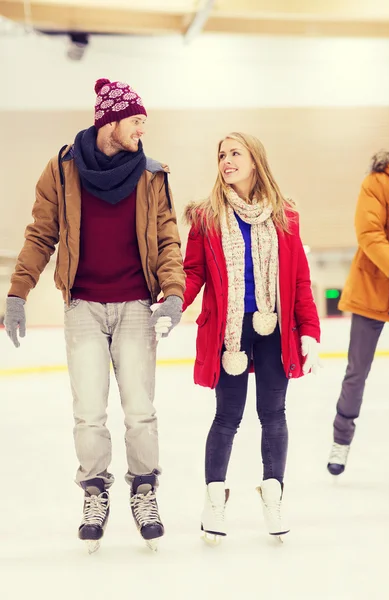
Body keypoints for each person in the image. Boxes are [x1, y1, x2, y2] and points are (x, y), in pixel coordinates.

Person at [4, 78, 185, 553]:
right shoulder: (62, 170)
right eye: (136, 121)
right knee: (88, 414)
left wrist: (173, 292)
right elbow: (41, 234)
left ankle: (145, 491)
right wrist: (18, 292)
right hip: (82, 304)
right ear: (111, 120)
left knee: (140, 412)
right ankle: (95, 493)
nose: (142, 130)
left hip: (135, 306)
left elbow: (168, 238)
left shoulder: (151, 173)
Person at [179, 132, 320, 543]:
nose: (226, 160)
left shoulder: (284, 215)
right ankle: (214, 501)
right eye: (221, 155)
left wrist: (309, 330)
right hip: (229, 333)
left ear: (255, 160)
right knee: (227, 417)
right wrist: (173, 302)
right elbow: (193, 273)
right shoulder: (206, 217)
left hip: (274, 329)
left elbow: (299, 280)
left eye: (235, 153)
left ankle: (273, 494)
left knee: (273, 415)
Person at [327, 151, 389, 476]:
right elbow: (369, 233)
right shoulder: (377, 183)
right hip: (373, 288)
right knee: (357, 372)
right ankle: (341, 442)